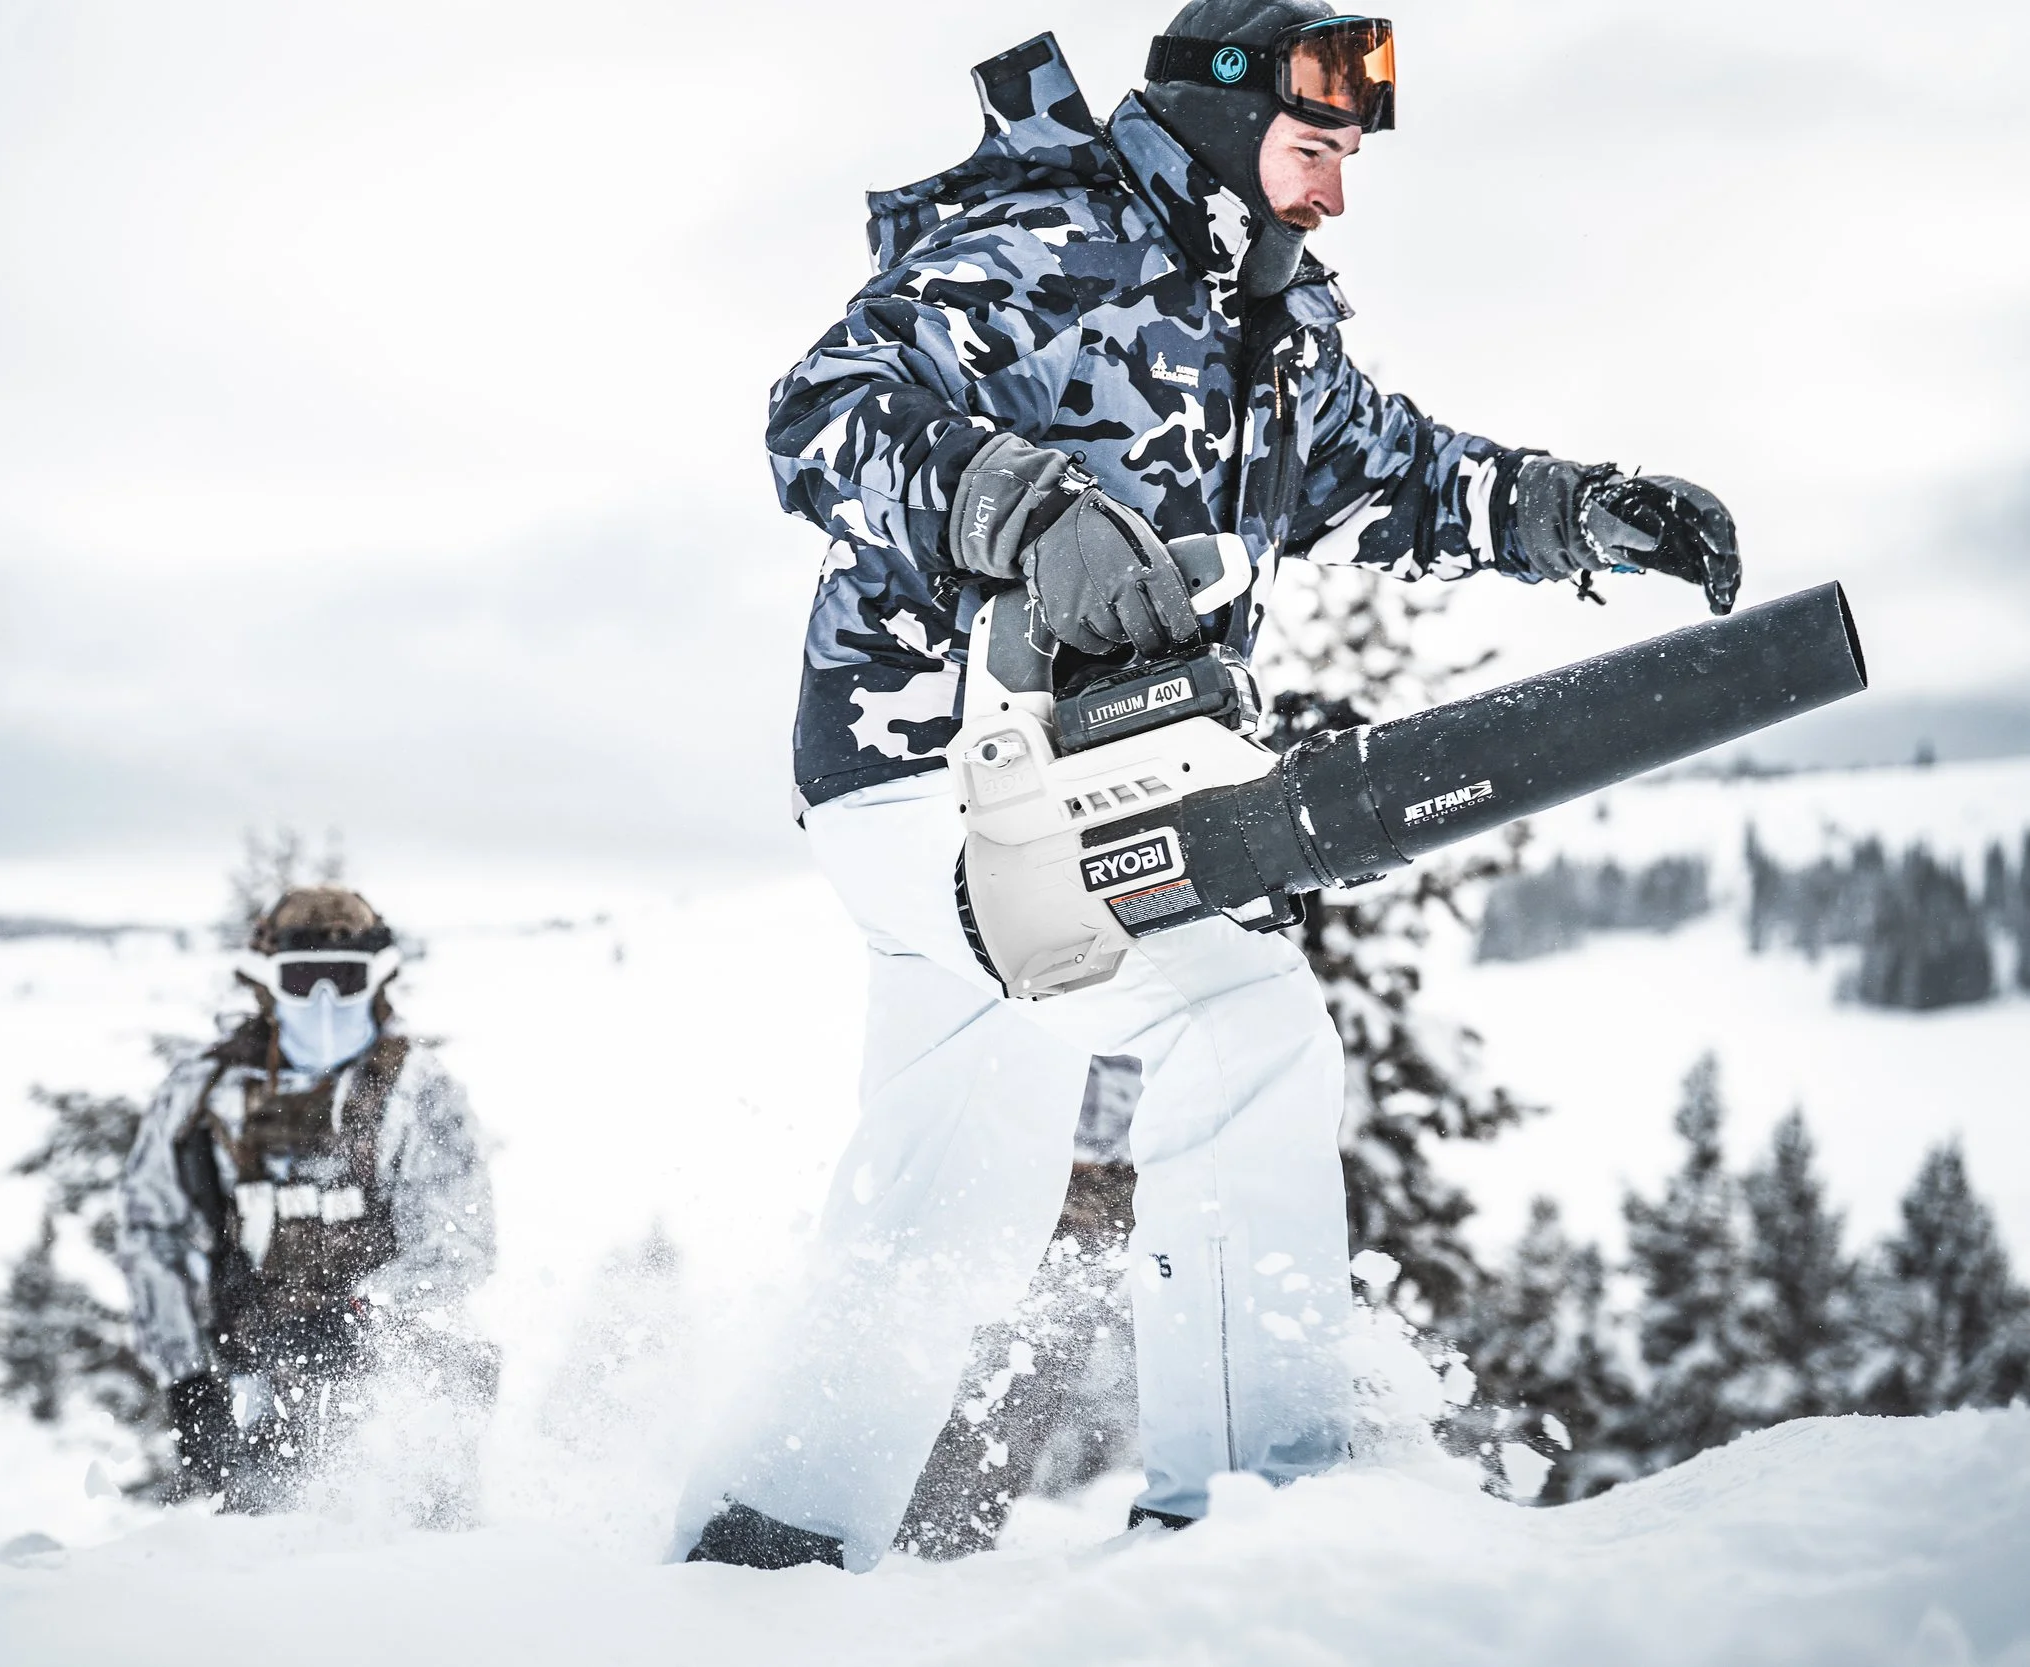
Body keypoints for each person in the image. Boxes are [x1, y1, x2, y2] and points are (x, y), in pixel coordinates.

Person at [679, 2, 1741, 1571]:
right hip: (943, 765)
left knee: (965, 1151)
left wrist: (1579, 511)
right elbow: (823, 405)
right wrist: (1022, 508)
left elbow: (1398, 466)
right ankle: (1251, 1522)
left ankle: (768, 1534)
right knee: (1233, 1023)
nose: (1333, 191)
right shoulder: (1048, 246)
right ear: (1231, 125)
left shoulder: (1266, 328)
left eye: (1349, 158)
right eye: (1315, 149)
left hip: (1036, 790)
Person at [117, 886, 496, 1517]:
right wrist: (186, 1376)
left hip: (400, 1384)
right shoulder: (205, 1092)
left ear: (377, 981)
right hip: (250, 1379)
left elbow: (461, 1244)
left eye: (344, 978)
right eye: (303, 980)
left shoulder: (420, 1092)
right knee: (258, 1571)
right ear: (267, 984)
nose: (325, 1001)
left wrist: (365, 1314)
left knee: (416, 1564)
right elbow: (151, 1229)